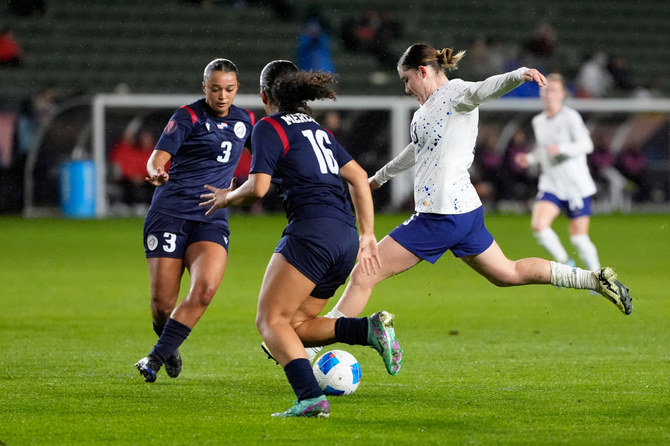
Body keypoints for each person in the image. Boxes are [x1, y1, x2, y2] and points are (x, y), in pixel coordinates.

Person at [320, 44, 632, 337]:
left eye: (406, 79)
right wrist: (380, 178)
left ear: (422, 71)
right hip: (465, 213)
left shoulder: (455, 94)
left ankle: (310, 345)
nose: (406, 87)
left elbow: (484, 88)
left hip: (439, 216)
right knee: (507, 273)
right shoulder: (423, 112)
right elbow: (418, 149)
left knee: (364, 274)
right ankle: (593, 279)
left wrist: (516, 75)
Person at [199, 60, 402, 418]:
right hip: (343, 237)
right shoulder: (317, 129)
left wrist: (225, 198)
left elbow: (259, 188)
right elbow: (357, 176)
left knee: (270, 321)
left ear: (265, 95)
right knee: (296, 328)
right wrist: (367, 233)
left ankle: (310, 398)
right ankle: (367, 330)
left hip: (311, 232)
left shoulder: (269, 127)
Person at [134, 58, 255, 383]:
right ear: (204, 87)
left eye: (229, 89)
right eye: (215, 89)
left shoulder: (246, 121)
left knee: (203, 291)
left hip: (211, 218)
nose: (222, 95)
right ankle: (168, 344)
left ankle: (156, 358)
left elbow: (267, 161)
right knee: (162, 305)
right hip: (170, 214)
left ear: (236, 89)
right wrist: (156, 172)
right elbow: (157, 158)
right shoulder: (187, 116)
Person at [515, 73, 601, 271]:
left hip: (575, 186)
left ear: (563, 94)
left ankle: (598, 277)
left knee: (579, 239)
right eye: (544, 90)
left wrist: (562, 148)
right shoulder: (539, 121)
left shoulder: (570, 117)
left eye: (553, 90)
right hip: (551, 183)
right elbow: (543, 150)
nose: (548, 94)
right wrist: (528, 159)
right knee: (539, 226)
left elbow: (586, 145)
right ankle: (565, 263)